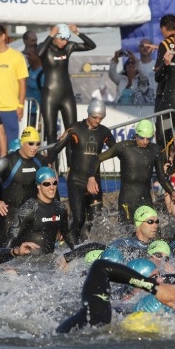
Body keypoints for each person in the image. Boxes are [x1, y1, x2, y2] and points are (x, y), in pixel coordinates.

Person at [0, 126, 60, 247]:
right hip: (9, 217)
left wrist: (58, 218)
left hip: (33, 216)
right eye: (31, 143)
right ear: (22, 143)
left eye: (37, 144)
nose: (35, 147)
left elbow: (52, 188)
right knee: (7, 253)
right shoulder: (6, 162)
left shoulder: (41, 161)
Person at [51, 99, 116, 243]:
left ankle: (90, 247)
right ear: (88, 114)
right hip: (76, 182)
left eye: (101, 118)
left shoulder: (104, 132)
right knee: (79, 219)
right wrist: (48, 165)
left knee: (96, 221)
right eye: (95, 117)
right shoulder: (75, 128)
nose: (97, 121)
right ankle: (72, 247)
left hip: (94, 182)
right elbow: (56, 149)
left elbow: (117, 150)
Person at [98, 119, 175, 224]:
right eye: (142, 138)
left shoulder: (155, 150)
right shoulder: (124, 147)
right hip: (127, 199)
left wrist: (172, 191)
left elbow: (162, 178)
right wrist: (91, 178)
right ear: (136, 135)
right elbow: (98, 159)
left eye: (148, 138)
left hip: (145, 199)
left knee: (153, 227)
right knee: (127, 229)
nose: (145, 141)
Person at [37, 23, 96, 144]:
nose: (64, 42)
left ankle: (71, 158)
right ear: (55, 36)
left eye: (67, 39)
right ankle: (51, 157)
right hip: (50, 96)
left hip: (66, 95)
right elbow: (39, 54)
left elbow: (91, 45)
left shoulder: (68, 47)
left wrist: (78, 33)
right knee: (51, 134)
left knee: (72, 133)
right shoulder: (45, 47)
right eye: (62, 39)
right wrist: (51, 35)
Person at [7, 167, 74, 255]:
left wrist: (76, 253)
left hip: (50, 260)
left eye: (54, 183)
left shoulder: (60, 207)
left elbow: (67, 234)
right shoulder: (29, 208)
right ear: (38, 186)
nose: (52, 187)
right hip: (28, 261)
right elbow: (11, 239)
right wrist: (13, 254)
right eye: (46, 184)